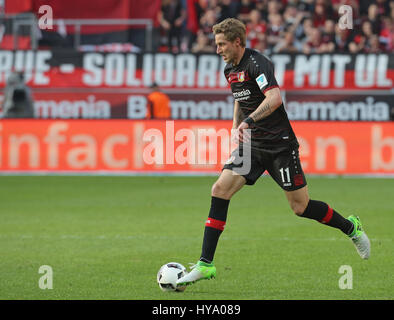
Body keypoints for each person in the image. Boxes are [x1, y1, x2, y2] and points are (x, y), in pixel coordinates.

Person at [176, 18, 370, 287]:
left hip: (279, 145)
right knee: (220, 190)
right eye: (216, 44)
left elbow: (274, 97)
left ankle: (351, 227)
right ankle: (205, 264)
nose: (218, 49)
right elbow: (240, 98)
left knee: (300, 207)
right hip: (251, 146)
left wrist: (249, 121)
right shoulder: (229, 69)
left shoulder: (258, 63)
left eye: (222, 44)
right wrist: (236, 127)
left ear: (237, 42)